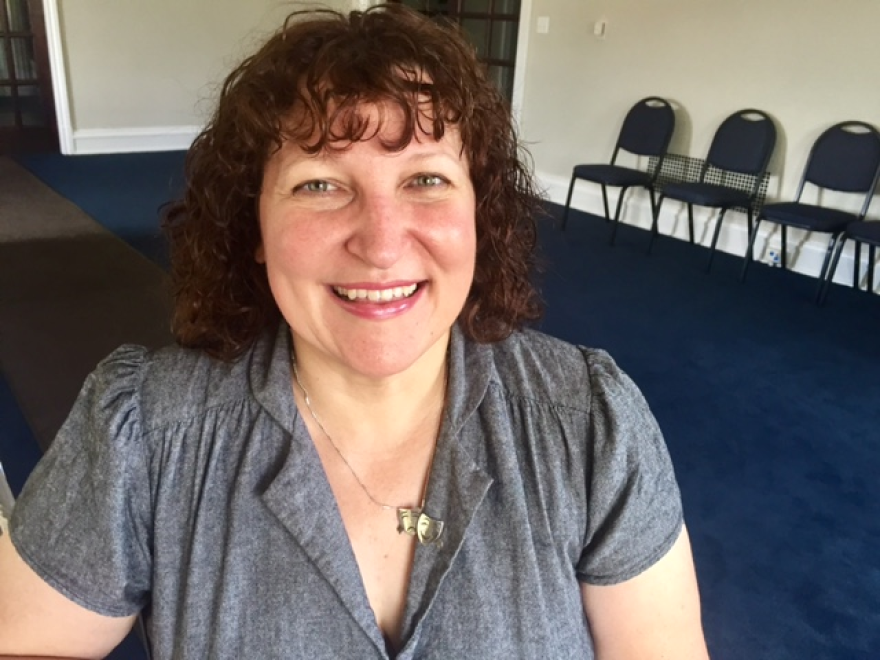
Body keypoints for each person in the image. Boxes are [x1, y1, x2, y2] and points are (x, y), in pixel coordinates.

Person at [0, 5, 709, 659]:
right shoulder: (146, 430)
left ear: (479, 215)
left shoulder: (589, 426)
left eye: (425, 180)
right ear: (254, 226)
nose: (380, 241)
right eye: (320, 185)